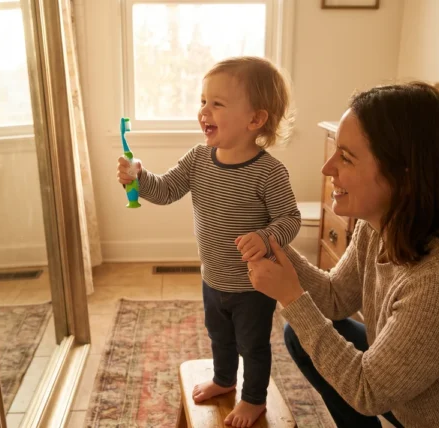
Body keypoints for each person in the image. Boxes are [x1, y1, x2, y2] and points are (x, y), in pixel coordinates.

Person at [246, 82, 439, 427]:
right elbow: (336, 299)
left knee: (315, 334)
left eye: (346, 157)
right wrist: (272, 242)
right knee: (301, 333)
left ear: (404, 176)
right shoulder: (379, 225)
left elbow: (367, 392)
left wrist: (291, 296)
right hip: (424, 408)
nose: (328, 167)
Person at [116, 56, 300, 427]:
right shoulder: (198, 159)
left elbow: (290, 219)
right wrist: (137, 176)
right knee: (219, 335)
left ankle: (253, 399)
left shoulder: (269, 172)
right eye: (202, 101)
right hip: (213, 277)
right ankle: (223, 378)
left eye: (217, 103)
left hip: (253, 285)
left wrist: (266, 238)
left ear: (255, 119)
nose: (204, 111)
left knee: (253, 344)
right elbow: (165, 190)